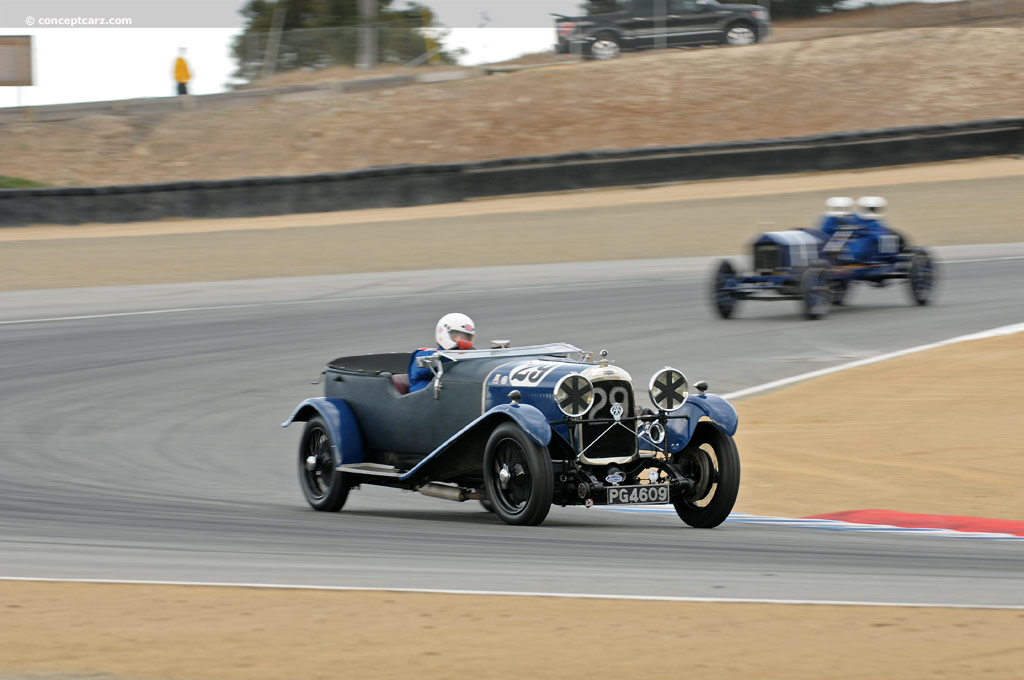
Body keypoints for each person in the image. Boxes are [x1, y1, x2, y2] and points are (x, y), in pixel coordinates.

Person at [407, 313, 476, 393]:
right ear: (445, 333)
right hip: (424, 401)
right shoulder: (425, 353)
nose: (464, 341)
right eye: (458, 336)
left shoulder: (466, 358)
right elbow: (420, 370)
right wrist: (447, 357)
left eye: (467, 338)